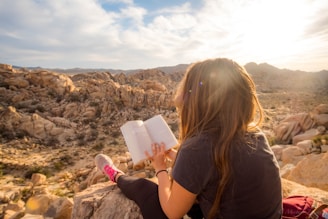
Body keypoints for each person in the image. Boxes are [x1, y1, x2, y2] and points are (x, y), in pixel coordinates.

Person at [95, 58, 282, 219]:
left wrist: (160, 168)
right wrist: (178, 157)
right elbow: (218, 168)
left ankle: (114, 174)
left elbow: (172, 212)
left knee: (146, 189)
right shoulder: (256, 136)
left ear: (199, 101)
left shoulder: (198, 147)